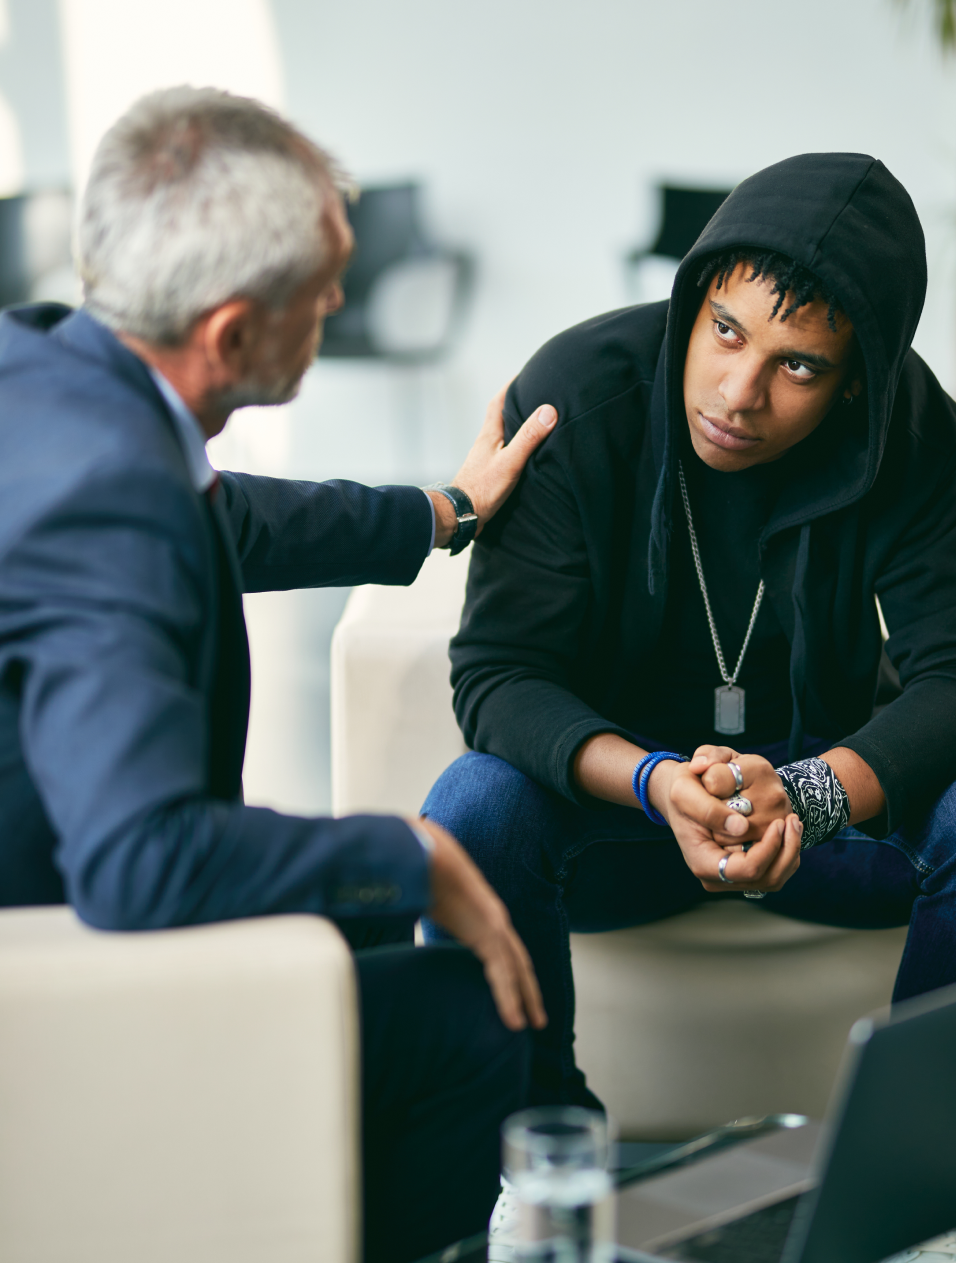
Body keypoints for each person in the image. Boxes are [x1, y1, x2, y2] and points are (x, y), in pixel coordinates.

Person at [0, 86, 553, 1262]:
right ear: (235, 333)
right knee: (468, 1021)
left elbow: (220, 518)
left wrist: (442, 511)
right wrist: (407, 853)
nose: (343, 303)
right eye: (325, 286)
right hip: (44, 996)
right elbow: (138, 861)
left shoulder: (48, 369)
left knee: (355, 938)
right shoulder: (113, 504)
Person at [421, 152, 956, 1111]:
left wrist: (810, 797)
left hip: (822, 816)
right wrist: (655, 784)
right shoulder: (578, 394)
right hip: (625, 814)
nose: (737, 393)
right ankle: (528, 1156)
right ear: (692, 300)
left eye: (799, 366)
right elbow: (498, 675)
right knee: (474, 807)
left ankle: (916, 1166)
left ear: (856, 382)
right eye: (724, 331)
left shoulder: (909, 430)